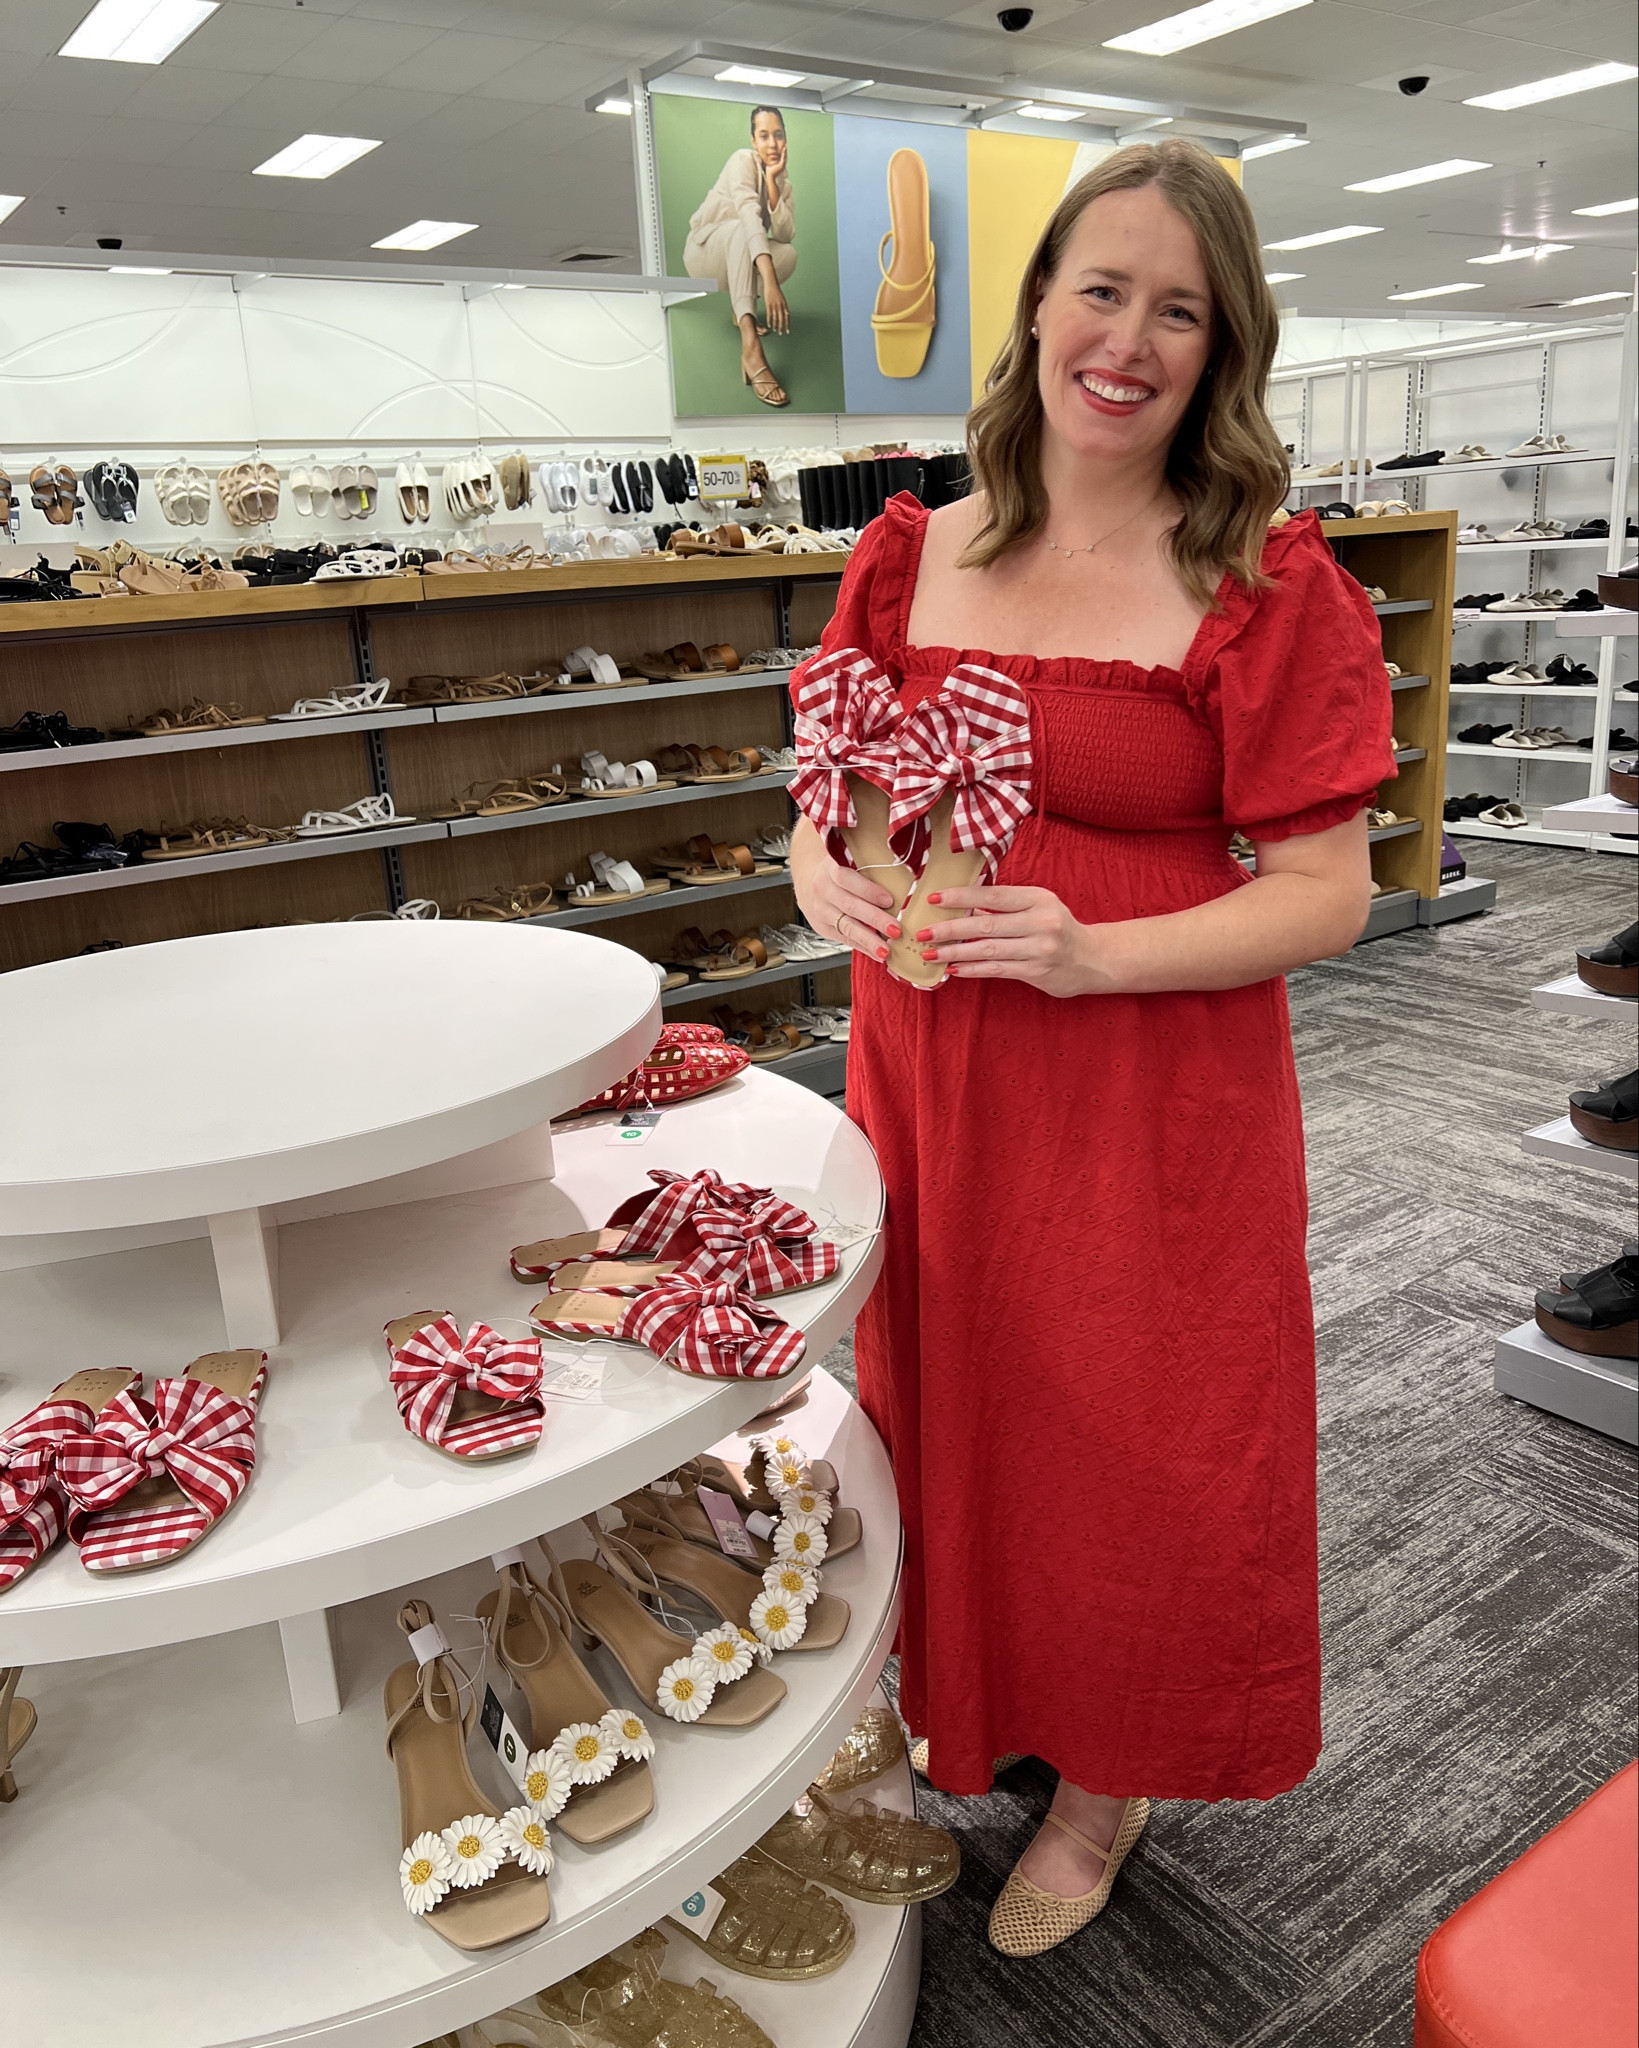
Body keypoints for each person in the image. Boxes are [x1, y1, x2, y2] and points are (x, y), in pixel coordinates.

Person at [789, 139, 1394, 1958]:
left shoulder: (1264, 585)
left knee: (1133, 1422)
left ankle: (1107, 1772)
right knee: (951, 1393)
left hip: (1143, 1091)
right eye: (1099, 289)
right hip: (930, 1071)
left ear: (1223, 351)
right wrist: (816, 860)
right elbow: (841, 787)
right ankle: (956, 1699)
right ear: (1037, 304)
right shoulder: (910, 551)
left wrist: (1090, 946)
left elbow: (1324, 893)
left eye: (1177, 310)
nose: (1125, 339)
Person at [683, 105, 796, 408]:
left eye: (778, 135)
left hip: (740, 253)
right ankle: (751, 347)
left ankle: (739, 306)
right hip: (705, 253)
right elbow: (749, 218)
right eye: (764, 136)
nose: (772, 144)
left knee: (787, 254)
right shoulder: (741, 160)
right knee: (740, 229)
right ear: (753, 141)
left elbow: (785, 235)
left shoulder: (783, 183)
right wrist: (770, 284)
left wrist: (772, 183)